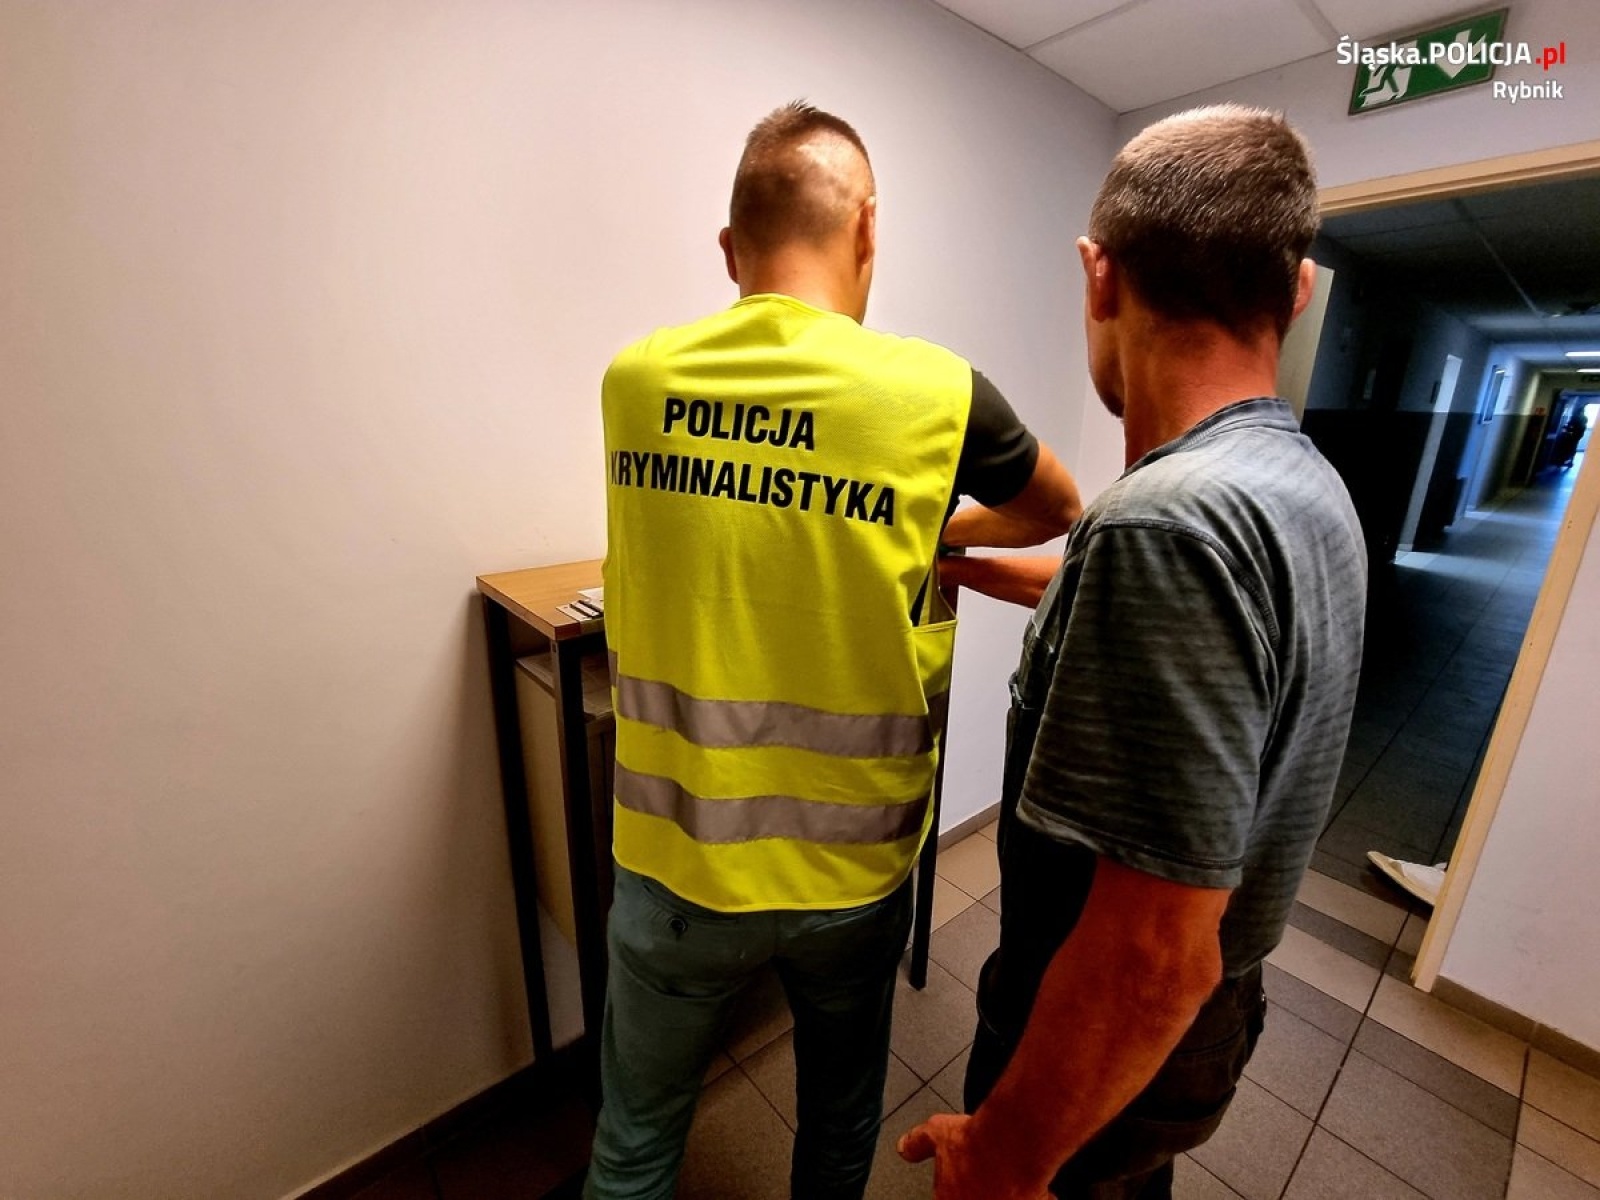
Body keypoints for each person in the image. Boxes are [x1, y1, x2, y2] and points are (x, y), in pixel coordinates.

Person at [590, 101, 1081, 1200]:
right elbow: (1056, 508)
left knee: (633, 1145)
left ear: (731, 249)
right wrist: (927, 530)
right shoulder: (937, 393)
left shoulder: (633, 381)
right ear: (868, 228)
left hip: (673, 866)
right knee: (837, 1121)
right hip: (850, 880)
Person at [898, 104, 1368, 1199]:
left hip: (1104, 1015)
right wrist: (961, 565)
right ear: (1297, 290)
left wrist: (1004, 1156)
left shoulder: (1163, 527)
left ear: (1098, 275)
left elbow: (1154, 953)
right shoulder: (1292, 484)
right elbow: (1141, 626)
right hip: (1203, 1027)